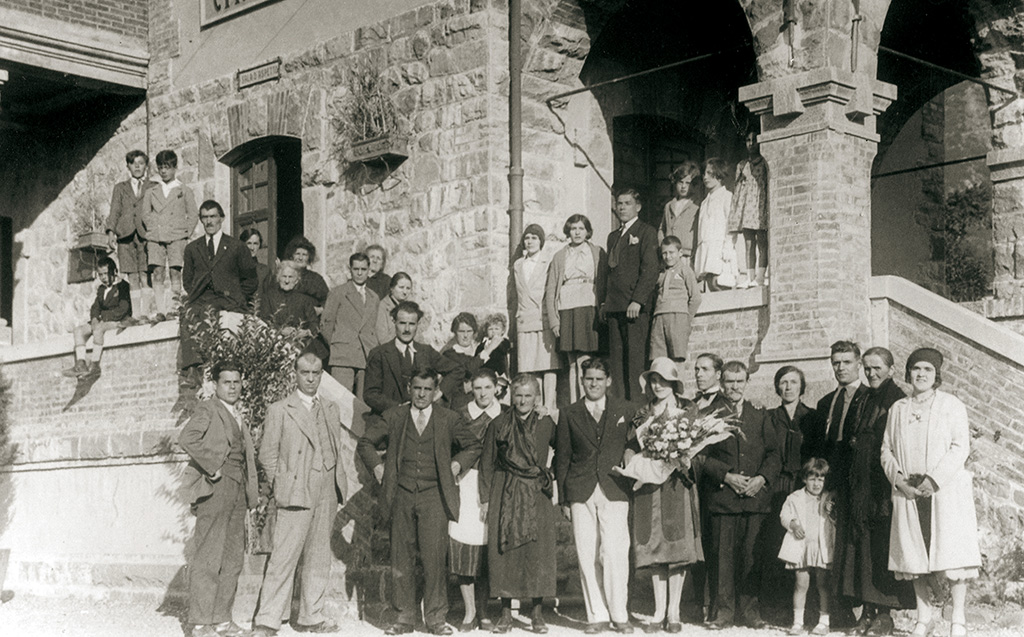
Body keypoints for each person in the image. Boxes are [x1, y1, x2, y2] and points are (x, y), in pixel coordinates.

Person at [356, 368, 483, 636]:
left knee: (434, 557)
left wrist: (457, 464)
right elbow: (366, 442)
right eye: (417, 388)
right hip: (400, 494)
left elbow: (473, 446)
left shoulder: (449, 418)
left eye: (427, 389)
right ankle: (404, 618)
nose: (422, 394)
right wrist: (378, 468)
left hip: (434, 496)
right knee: (401, 557)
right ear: (409, 389)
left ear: (435, 391)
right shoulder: (395, 416)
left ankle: (436, 619)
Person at [880, 348, 980, 637]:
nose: (921, 374)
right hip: (909, 490)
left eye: (927, 370)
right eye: (916, 369)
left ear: (937, 375)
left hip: (943, 490)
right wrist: (898, 479)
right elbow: (886, 449)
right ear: (908, 373)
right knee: (914, 556)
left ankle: (957, 617)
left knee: (952, 555)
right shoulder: (898, 408)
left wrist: (934, 480)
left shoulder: (951, 405)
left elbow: (960, 446)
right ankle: (924, 616)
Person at [250, 353, 348, 636]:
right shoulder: (281, 409)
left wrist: (336, 480)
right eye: (305, 372)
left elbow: (334, 447)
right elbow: (267, 453)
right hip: (296, 489)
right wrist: (283, 484)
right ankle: (267, 620)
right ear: (295, 373)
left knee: (318, 556)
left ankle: (311, 616)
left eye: (316, 373)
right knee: (284, 557)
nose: (310, 378)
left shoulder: (330, 407)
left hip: (327, 488)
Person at [834, 347, 914, 636]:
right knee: (861, 549)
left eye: (877, 367)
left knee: (882, 547)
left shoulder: (899, 400)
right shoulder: (863, 397)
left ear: (891, 369)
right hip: (859, 486)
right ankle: (866, 611)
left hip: (883, 486)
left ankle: (885, 614)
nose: (871, 373)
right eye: (867, 368)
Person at [623, 358, 704, 633]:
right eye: (653, 380)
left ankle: (674, 612)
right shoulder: (640, 413)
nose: (657, 385)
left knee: (675, 548)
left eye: (662, 380)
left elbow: (698, 444)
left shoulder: (687, 409)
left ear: (673, 383)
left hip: (676, 485)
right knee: (654, 547)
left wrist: (685, 458)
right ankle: (658, 611)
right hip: (648, 485)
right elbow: (630, 445)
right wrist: (631, 461)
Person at [178, 362, 258, 637]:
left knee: (233, 559)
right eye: (227, 382)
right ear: (215, 385)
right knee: (208, 556)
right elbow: (187, 438)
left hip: (238, 491)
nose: (233, 387)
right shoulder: (208, 408)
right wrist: (212, 466)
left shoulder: (238, 414)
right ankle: (200, 624)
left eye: (237, 382)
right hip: (216, 488)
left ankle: (222, 621)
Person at [554, 357, 634, 634]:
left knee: (614, 553)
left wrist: (631, 453)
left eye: (599, 379)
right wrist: (564, 498)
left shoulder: (626, 409)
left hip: (615, 488)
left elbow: (636, 441)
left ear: (609, 381)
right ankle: (596, 615)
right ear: (582, 380)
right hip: (580, 489)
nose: (594, 384)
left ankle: (619, 613)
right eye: (589, 378)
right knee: (587, 553)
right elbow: (561, 457)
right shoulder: (569, 412)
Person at [702, 361, 779, 630]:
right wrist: (725, 475)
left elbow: (773, 453)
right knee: (722, 559)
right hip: (723, 499)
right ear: (721, 383)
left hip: (754, 499)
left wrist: (761, 479)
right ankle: (723, 612)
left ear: (747, 382)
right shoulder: (710, 414)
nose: (734, 387)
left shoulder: (759, 414)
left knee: (750, 558)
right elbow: (700, 456)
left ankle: (750, 611)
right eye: (729, 382)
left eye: (739, 381)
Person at [480, 373, 558, 634]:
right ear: (510, 396)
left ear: (537, 397)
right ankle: (505, 613)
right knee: (506, 553)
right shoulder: (499, 423)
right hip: (506, 489)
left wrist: (551, 474)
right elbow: (487, 462)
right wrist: (485, 499)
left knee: (537, 552)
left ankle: (536, 614)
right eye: (518, 395)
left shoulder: (546, 423)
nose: (523, 400)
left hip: (536, 493)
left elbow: (565, 450)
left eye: (528, 395)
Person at [452, 368, 505, 631]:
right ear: (471, 390)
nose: (483, 393)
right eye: (477, 388)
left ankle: (485, 611)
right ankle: (469, 611)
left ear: (496, 387)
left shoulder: (506, 414)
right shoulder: (460, 415)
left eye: (487, 387)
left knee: (486, 550)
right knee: (465, 549)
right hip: (466, 483)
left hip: (495, 484)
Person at [180, 200, 258, 381]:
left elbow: (250, 280)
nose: (209, 222)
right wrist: (198, 294)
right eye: (205, 217)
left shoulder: (236, 246)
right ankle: (192, 368)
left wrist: (238, 296)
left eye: (213, 216)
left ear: (221, 218)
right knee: (187, 312)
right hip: (203, 299)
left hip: (229, 299)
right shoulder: (192, 248)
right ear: (200, 220)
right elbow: (187, 280)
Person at [763, 366, 818, 617]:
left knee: (806, 544)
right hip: (778, 486)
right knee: (779, 542)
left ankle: (811, 607)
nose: (788, 387)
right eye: (783, 382)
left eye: (793, 382)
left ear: (801, 386)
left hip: (804, 487)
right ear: (777, 387)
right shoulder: (769, 417)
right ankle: (780, 606)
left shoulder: (812, 417)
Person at [603, 187, 660, 401]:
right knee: (616, 363)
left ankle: (637, 409)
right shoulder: (613, 237)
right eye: (619, 203)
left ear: (638, 207)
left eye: (627, 203)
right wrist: (604, 304)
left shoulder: (646, 231)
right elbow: (609, 273)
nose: (622, 207)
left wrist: (638, 300)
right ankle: (620, 408)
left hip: (634, 307)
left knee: (635, 361)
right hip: (614, 306)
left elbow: (650, 269)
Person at [545, 213, 606, 404]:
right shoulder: (560, 256)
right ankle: (575, 405)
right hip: (567, 308)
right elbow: (551, 289)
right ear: (568, 231)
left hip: (589, 306)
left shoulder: (597, 252)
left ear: (587, 231)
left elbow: (603, 282)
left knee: (585, 360)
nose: (577, 232)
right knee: (572, 362)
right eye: (573, 228)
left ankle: (588, 400)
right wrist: (554, 321)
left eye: (581, 228)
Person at [363, 300, 461, 415]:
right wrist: (398, 408)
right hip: (388, 419)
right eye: (402, 323)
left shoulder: (426, 351)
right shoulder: (379, 353)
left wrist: (436, 395)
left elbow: (457, 370)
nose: (407, 329)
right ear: (394, 322)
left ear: (417, 324)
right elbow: (370, 394)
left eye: (412, 324)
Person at [779, 459, 836, 636]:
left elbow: (835, 521)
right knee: (800, 584)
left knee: (823, 584)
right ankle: (797, 622)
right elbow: (784, 515)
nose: (817, 483)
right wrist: (793, 525)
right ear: (804, 479)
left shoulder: (829, 498)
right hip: (801, 548)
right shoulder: (794, 497)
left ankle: (824, 621)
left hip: (821, 547)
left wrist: (832, 510)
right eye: (812, 479)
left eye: (821, 479)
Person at [141, 149, 198, 319]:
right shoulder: (151, 192)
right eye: (160, 167)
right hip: (156, 237)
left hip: (177, 237)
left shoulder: (183, 190)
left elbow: (193, 214)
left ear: (175, 168)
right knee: (157, 272)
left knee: (175, 271)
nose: (163, 171)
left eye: (167, 167)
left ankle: (175, 308)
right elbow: (145, 214)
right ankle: (160, 310)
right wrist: (154, 228)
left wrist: (183, 232)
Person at [321, 252, 380, 397]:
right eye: (356, 269)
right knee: (340, 401)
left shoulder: (374, 297)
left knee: (363, 403)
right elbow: (325, 324)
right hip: (343, 356)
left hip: (366, 356)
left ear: (368, 270)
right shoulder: (338, 293)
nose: (359, 273)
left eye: (363, 269)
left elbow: (374, 327)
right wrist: (339, 344)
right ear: (350, 270)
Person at [62, 257, 132, 378]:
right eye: (101, 275)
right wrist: (94, 318)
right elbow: (96, 306)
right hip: (102, 320)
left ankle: (95, 365)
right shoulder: (101, 289)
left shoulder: (123, 286)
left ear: (114, 272)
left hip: (117, 320)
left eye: (106, 274)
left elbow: (123, 308)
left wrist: (103, 318)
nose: (103, 277)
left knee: (98, 329)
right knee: (78, 330)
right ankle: (80, 364)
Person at [513, 225, 558, 410]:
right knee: (530, 365)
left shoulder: (548, 262)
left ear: (541, 242)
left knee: (547, 364)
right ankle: (535, 404)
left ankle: (549, 404)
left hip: (543, 318)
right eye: (527, 238)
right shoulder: (518, 265)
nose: (530, 241)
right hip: (525, 318)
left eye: (534, 238)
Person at [105, 149, 154, 316]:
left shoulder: (153, 186)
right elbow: (114, 211)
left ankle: (145, 313)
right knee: (132, 276)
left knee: (144, 275)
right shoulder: (120, 188)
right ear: (128, 166)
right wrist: (111, 232)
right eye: (134, 164)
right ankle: (136, 314)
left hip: (145, 235)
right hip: (125, 237)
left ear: (146, 166)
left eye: (141, 163)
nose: (137, 167)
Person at [649, 235, 701, 368]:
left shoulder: (685, 270)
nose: (668, 256)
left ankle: (678, 388)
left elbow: (695, 298)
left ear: (680, 253)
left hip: (678, 317)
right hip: (659, 316)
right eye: (664, 253)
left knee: (677, 358)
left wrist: (686, 319)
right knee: (659, 359)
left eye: (671, 252)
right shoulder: (660, 274)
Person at [728, 131, 769, 288]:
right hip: (747, 208)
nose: (751, 144)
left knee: (762, 243)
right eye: (748, 140)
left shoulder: (764, 162)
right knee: (748, 243)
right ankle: (750, 277)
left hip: (759, 206)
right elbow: (737, 189)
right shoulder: (742, 165)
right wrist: (736, 211)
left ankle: (760, 276)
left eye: (754, 140)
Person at [258, 261, 321, 355]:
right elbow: (264, 319)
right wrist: (280, 330)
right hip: (275, 344)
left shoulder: (305, 300)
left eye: (290, 277)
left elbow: (314, 323)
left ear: (296, 280)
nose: (287, 281)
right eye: (284, 276)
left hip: (299, 345)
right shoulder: (268, 297)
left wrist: (306, 332)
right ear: (278, 278)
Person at [693, 158, 737, 292]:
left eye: (710, 173)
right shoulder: (704, 202)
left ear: (718, 174)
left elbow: (732, 224)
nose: (705, 177)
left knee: (719, 283)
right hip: (707, 249)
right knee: (710, 285)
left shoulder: (726, 196)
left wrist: (728, 247)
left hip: (720, 250)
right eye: (704, 173)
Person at [660, 162, 702, 259]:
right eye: (680, 182)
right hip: (670, 256)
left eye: (687, 183)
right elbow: (662, 229)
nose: (683, 186)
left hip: (688, 255)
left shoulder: (697, 205)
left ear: (694, 184)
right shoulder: (669, 206)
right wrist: (663, 244)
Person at [442, 312, 484, 411]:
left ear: (474, 332)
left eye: (469, 331)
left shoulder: (480, 349)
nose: (465, 336)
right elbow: (466, 371)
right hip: (462, 405)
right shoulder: (450, 355)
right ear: (455, 332)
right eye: (461, 331)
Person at [281, 236, 330, 310]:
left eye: (304, 255)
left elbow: (328, 300)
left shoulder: (316, 279)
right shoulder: (283, 276)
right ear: (291, 256)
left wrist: (319, 310)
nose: (300, 258)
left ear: (309, 258)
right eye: (297, 253)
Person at [376, 272, 413, 344]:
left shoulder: (409, 308)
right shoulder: (382, 307)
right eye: (401, 287)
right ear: (392, 288)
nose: (405, 292)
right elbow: (382, 340)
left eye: (408, 288)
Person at [475, 313, 512, 380]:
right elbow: (477, 355)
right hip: (485, 371)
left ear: (502, 331)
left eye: (496, 329)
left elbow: (504, 349)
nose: (493, 331)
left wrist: (495, 343)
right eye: (490, 329)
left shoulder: (503, 341)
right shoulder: (484, 343)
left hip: (499, 371)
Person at [239, 227, 271, 299]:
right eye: (249, 243)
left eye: (255, 244)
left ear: (259, 246)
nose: (252, 248)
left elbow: (267, 298)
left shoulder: (264, 271)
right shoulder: (235, 268)